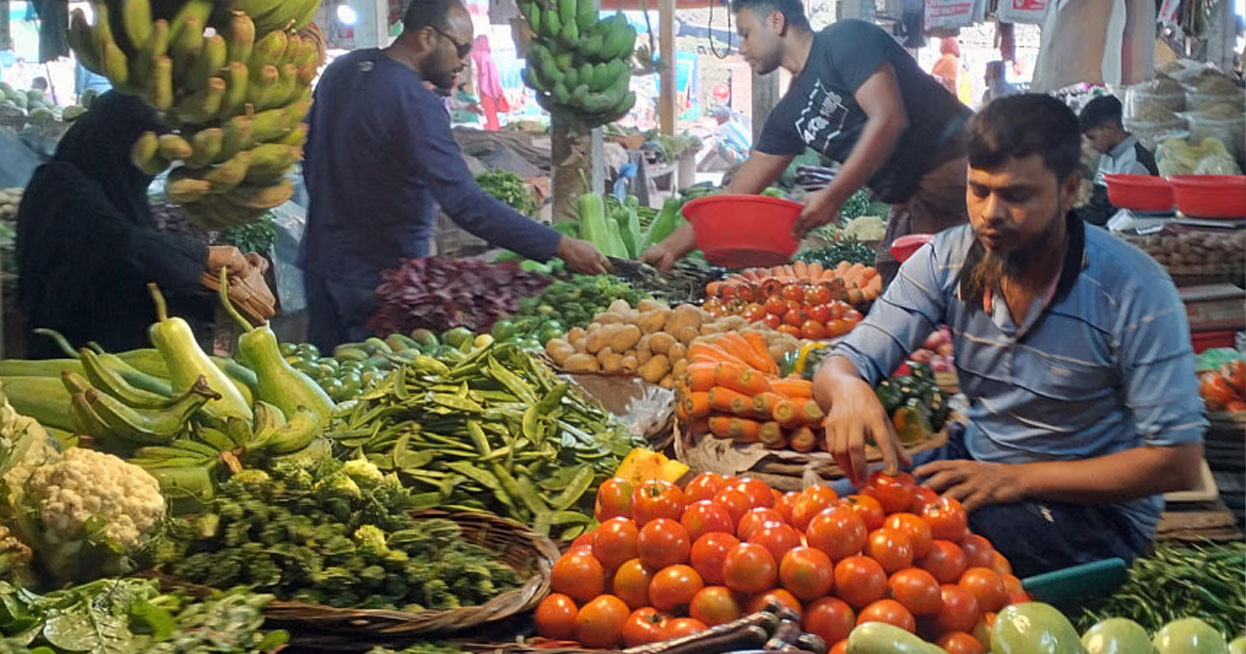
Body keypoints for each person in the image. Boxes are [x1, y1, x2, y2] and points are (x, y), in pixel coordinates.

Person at [813, 94, 1205, 577]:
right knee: (817, 515)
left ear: (1069, 191)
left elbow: (1178, 461)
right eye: (978, 191)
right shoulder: (946, 259)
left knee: (928, 557)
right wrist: (847, 387)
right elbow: (842, 362)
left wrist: (1016, 479)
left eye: (1017, 196)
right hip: (977, 464)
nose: (990, 214)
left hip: (1095, 512)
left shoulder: (1133, 289)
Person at [300, 0, 609, 351]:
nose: (464, 60)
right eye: (461, 47)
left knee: (323, 380)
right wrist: (559, 245)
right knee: (378, 388)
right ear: (426, 37)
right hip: (379, 280)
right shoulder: (415, 103)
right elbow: (466, 204)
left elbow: (308, 151)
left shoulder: (343, 69)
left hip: (319, 263)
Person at [640, 4, 973, 286]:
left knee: (991, 292)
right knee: (914, 301)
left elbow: (889, 119)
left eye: (745, 33)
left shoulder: (846, 39)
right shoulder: (788, 115)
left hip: (970, 171)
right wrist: (671, 247)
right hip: (921, 203)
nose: (740, 47)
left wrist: (832, 196)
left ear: (776, 20)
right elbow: (734, 195)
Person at [16, 91, 267, 358]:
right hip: (70, 362)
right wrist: (204, 256)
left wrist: (224, 283)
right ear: (113, 141)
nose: (148, 169)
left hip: (126, 359)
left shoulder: (122, 195)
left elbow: (144, 275)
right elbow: (119, 243)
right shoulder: (58, 184)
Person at [1077, 94, 1159, 226]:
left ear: (1109, 129)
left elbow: (1127, 220)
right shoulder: (1107, 154)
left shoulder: (1135, 163)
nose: (1091, 145)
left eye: (1092, 137)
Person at [471, 35, 504, 131]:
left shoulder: (473, 55)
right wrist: (497, 92)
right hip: (489, 91)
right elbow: (493, 78)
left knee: (486, 116)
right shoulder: (486, 57)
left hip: (480, 90)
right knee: (491, 116)